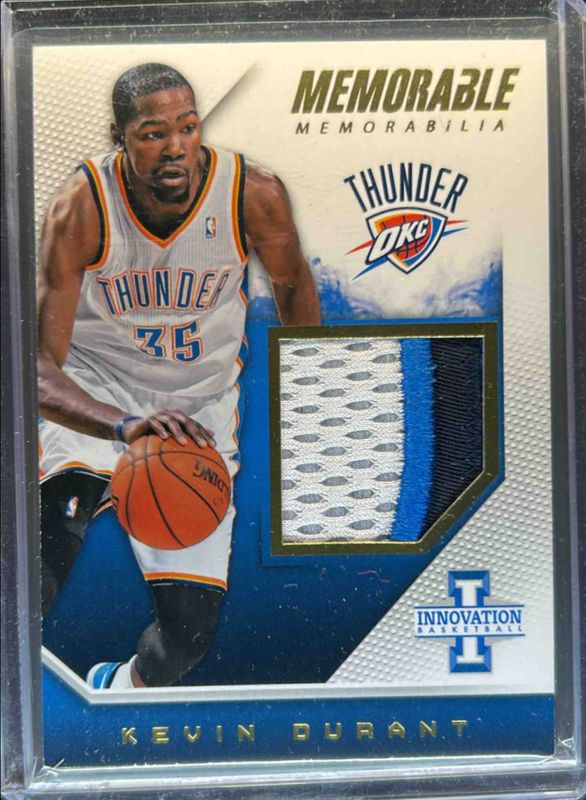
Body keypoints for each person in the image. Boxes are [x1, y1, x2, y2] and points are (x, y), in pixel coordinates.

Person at [37, 63, 321, 689]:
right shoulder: (82, 207)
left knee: (187, 641)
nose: (175, 147)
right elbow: (38, 371)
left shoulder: (252, 193)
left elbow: (293, 285)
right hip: (99, 397)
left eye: (187, 127)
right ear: (119, 137)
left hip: (197, 417)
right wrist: (123, 425)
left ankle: (118, 691)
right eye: (152, 133)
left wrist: (309, 393)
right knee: (36, 575)